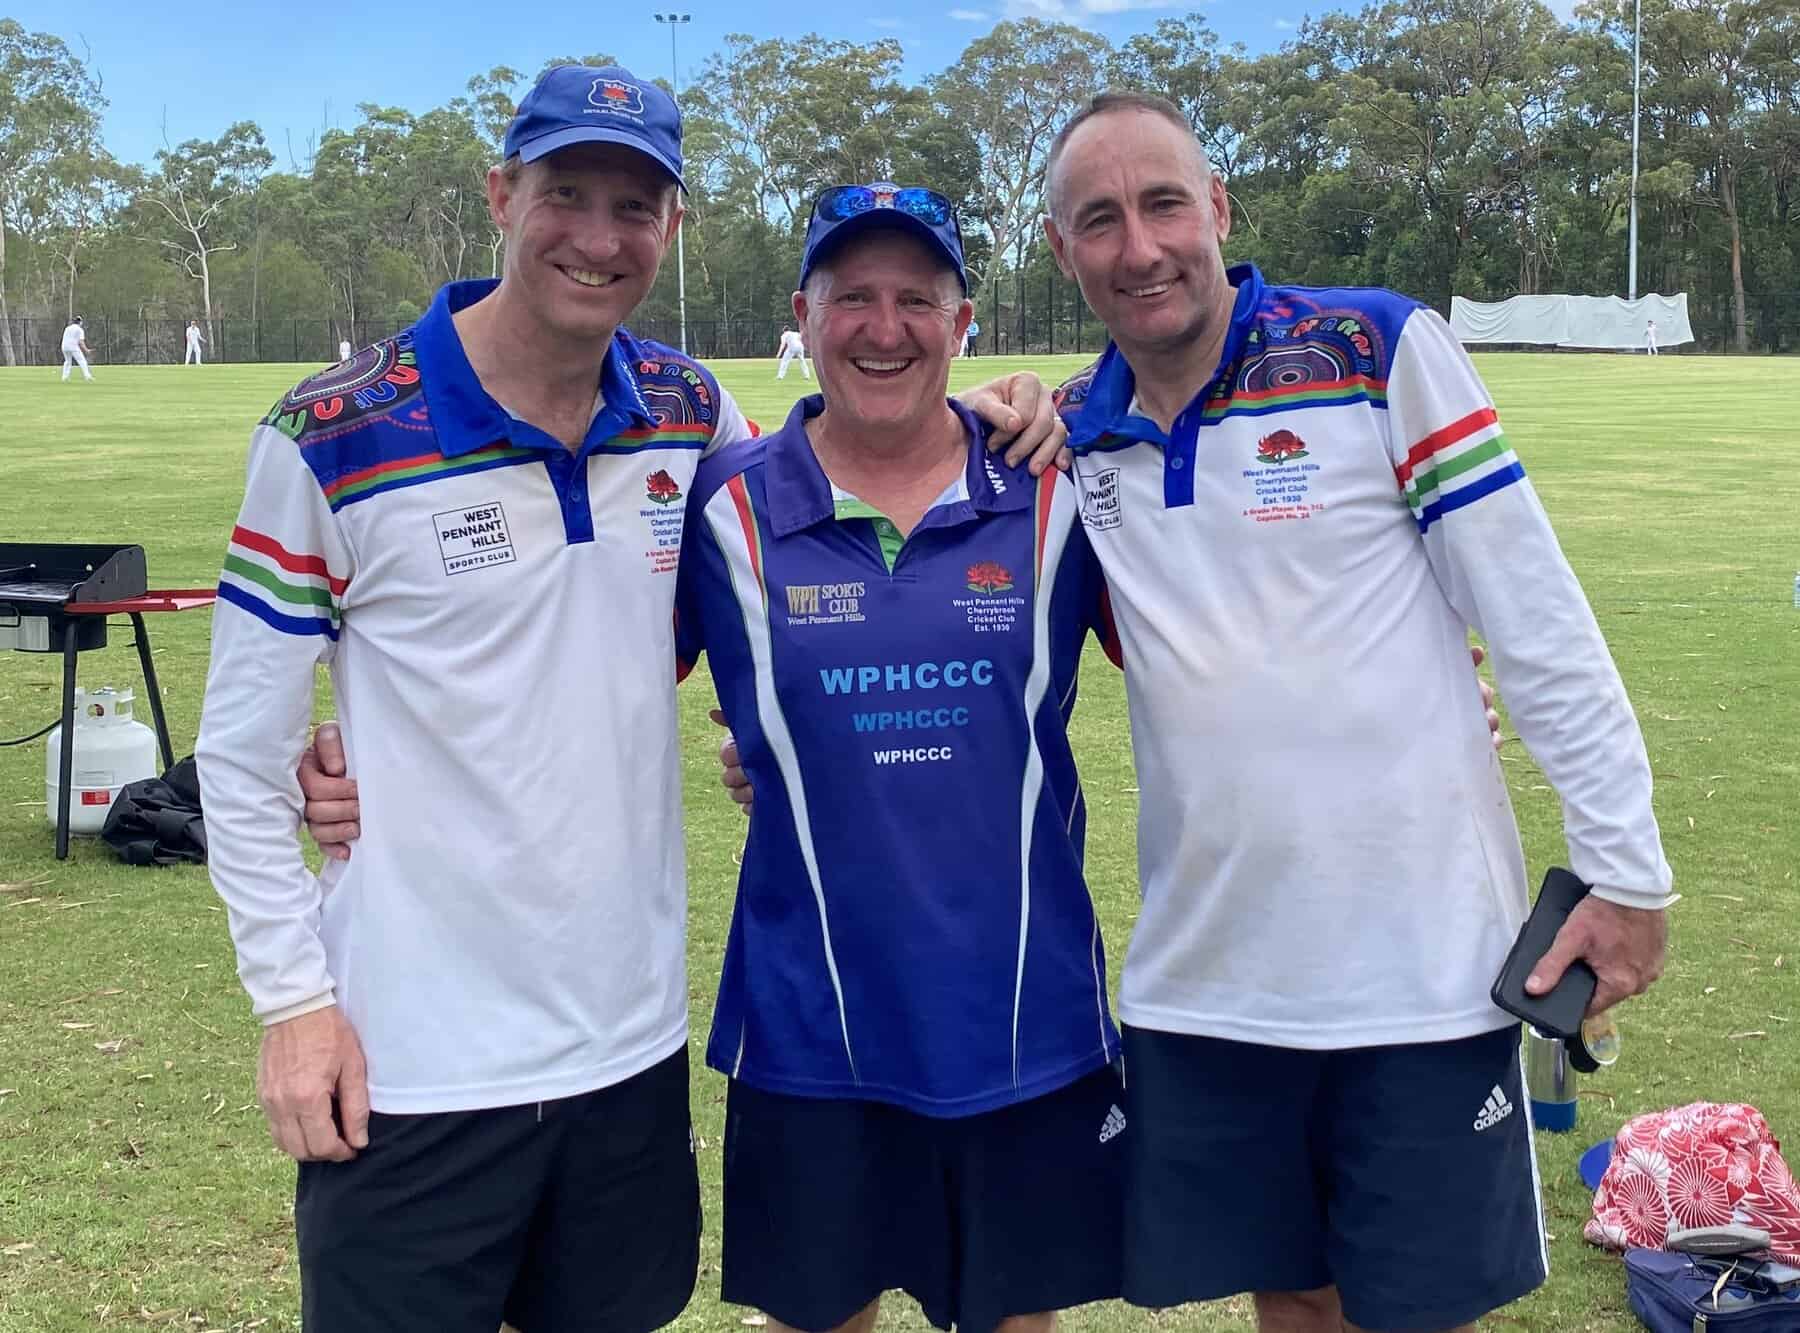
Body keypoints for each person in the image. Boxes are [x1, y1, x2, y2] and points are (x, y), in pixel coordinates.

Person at [197, 63, 1063, 1333]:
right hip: (413, 1057)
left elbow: (825, 483)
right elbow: (238, 753)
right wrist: (293, 1005)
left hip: (627, 1048)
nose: (598, 238)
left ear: (671, 227)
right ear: (502, 195)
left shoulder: (685, 412)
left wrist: (984, 410)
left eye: (634, 207)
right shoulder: (333, 431)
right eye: (566, 193)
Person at [1036, 91, 1673, 1333]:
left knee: (1416, 1309)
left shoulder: (1375, 349)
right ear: (1063, 251)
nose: (1140, 246)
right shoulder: (1076, 436)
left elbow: (1535, 620)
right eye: (1099, 220)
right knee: (1292, 1297)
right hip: (1209, 981)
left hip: (1420, 973)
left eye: (1165, 203)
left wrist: (1627, 867)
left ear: (1219, 208)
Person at [60, 316, 92, 381]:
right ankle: (87, 376)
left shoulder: (67, 328)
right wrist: (86, 350)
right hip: (73, 346)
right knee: (82, 361)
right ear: (80, 322)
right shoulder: (80, 330)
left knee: (67, 361)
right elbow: (81, 342)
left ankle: (65, 377)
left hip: (64, 346)